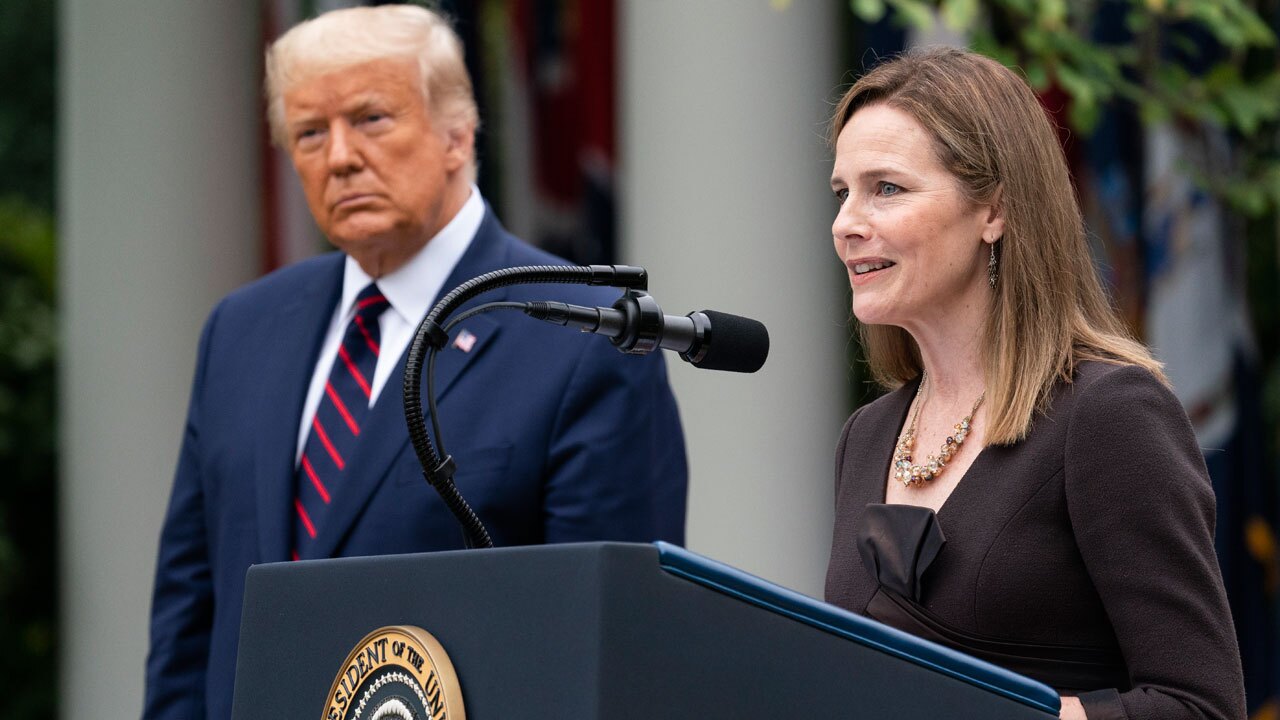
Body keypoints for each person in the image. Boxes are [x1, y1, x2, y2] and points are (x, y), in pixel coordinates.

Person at [143, 6, 687, 718]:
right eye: (309, 132)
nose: (339, 156)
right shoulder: (240, 331)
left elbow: (615, 650)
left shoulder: (583, 339)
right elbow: (189, 616)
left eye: (370, 119)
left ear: (457, 133)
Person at [824, 48, 1245, 720]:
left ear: (994, 209)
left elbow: (1201, 706)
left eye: (887, 189)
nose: (847, 223)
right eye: (843, 192)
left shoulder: (1108, 416)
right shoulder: (866, 437)